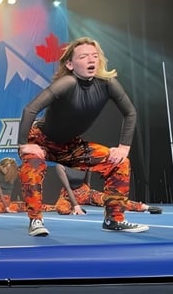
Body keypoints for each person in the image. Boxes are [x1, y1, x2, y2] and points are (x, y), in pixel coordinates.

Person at [18, 37, 143, 236]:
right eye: (83, 57)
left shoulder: (108, 84)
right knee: (32, 166)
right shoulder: (67, 82)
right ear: (70, 64)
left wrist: (123, 147)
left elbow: (131, 113)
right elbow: (30, 109)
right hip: (41, 140)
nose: (90, 60)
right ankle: (35, 221)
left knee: (120, 163)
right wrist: (23, 144)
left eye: (94, 56)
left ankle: (114, 219)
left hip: (71, 146)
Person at [53, 164, 162, 215]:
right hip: (68, 195)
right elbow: (67, 187)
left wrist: (91, 196)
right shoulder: (60, 166)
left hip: (84, 191)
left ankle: (144, 207)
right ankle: (73, 209)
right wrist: (76, 206)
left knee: (110, 199)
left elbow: (87, 182)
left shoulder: (85, 164)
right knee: (61, 209)